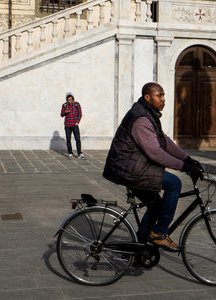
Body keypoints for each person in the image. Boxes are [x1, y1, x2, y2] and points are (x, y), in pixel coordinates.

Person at [103, 82, 204, 252]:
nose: (164, 99)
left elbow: (164, 141)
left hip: (135, 165)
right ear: (147, 97)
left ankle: (139, 247)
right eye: (160, 96)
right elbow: (155, 153)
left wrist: (188, 159)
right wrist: (184, 167)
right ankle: (158, 233)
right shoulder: (141, 119)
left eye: (164, 95)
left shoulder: (148, 114)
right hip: (129, 169)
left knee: (156, 204)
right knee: (174, 184)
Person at [60, 92, 85, 159]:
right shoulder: (65, 105)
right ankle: (70, 153)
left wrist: (77, 122)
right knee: (68, 139)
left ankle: (79, 153)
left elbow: (80, 114)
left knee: (77, 139)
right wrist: (65, 112)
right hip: (67, 125)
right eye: (68, 100)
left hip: (74, 124)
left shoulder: (77, 104)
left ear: (73, 99)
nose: (69, 101)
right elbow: (61, 115)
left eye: (70, 99)